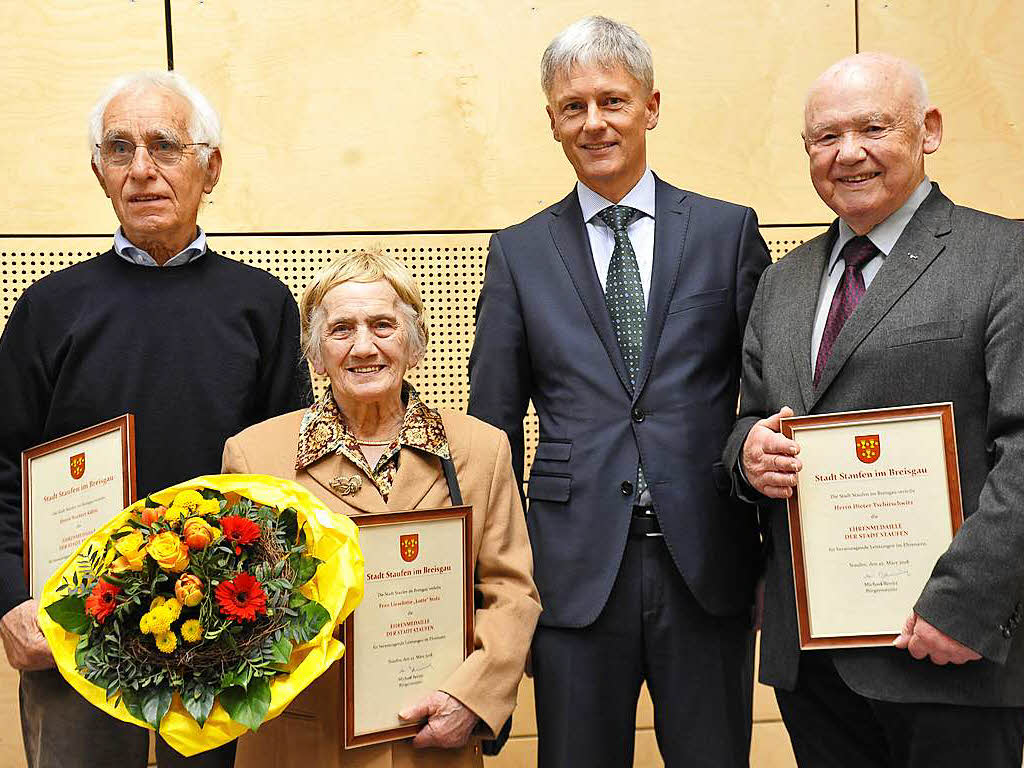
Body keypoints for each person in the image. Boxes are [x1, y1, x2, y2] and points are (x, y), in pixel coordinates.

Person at [468, 15, 770, 768]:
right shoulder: (519, 253)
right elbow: (491, 430)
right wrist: (494, 587)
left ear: (652, 106)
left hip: (706, 563)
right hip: (570, 574)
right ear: (552, 122)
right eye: (574, 107)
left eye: (613, 101)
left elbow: (765, 398)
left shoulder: (727, 233)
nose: (594, 122)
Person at [0, 70, 310, 768]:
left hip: (226, 639)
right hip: (71, 637)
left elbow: (289, 478)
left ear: (211, 167)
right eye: (119, 148)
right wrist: (8, 602)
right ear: (98, 171)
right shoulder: (47, 309)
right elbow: (1, 468)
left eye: (165, 146)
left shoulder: (263, 307)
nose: (141, 169)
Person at [723, 52, 1024, 767]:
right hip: (815, 662)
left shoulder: (1004, 254)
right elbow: (752, 416)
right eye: (825, 137)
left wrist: (964, 605)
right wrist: (746, 454)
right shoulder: (784, 282)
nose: (848, 153)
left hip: (950, 655)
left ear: (930, 131)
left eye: (874, 127)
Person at [221, 249, 541, 768]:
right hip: (303, 741)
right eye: (341, 329)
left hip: (432, 739)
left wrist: (471, 698)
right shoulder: (255, 455)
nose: (363, 346)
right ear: (317, 353)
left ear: (414, 345)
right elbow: (239, 609)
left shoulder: (480, 449)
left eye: (383, 326)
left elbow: (510, 591)